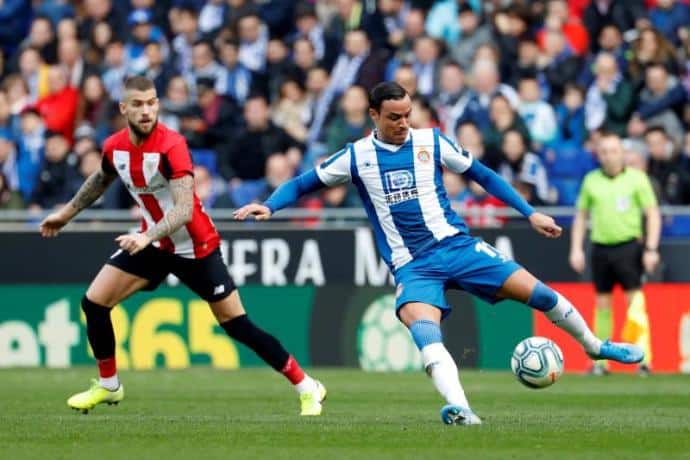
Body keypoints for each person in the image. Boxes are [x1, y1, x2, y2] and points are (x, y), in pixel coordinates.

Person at [234, 82, 645, 426]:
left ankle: (593, 346)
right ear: (373, 115)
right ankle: (462, 410)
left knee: (540, 294)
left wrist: (529, 212)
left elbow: (482, 175)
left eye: (407, 114)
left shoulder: (431, 141)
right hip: (413, 266)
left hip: (458, 247)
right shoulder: (356, 156)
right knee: (426, 333)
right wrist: (269, 205)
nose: (403, 123)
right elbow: (304, 183)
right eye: (393, 117)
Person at [39, 76, 326, 416]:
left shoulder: (171, 145)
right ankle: (109, 386)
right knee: (94, 303)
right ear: (124, 108)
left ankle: (307, 386)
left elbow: (184, 208)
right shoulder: (115, 147)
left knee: (236, 324)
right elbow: (101, 179)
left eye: (151, 102)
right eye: (138, 104)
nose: (146, 111)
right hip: (153, 243)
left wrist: (146, 237)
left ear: (158, 104)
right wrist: (66, 214)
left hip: (195, 247)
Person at [570, 131, 661, 376]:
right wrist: (576, 248)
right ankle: (601, 362)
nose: (609, 156)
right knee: (602, 302)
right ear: (598, 155)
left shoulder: (637, 179)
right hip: (600, 247)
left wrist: (651, 248)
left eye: (613, 151)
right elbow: (581, 216)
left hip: (629, 246)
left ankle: (643, 359)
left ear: (622, 153)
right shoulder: (591, 180)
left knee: (635, 302)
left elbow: (652, 213)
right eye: (604, 152)